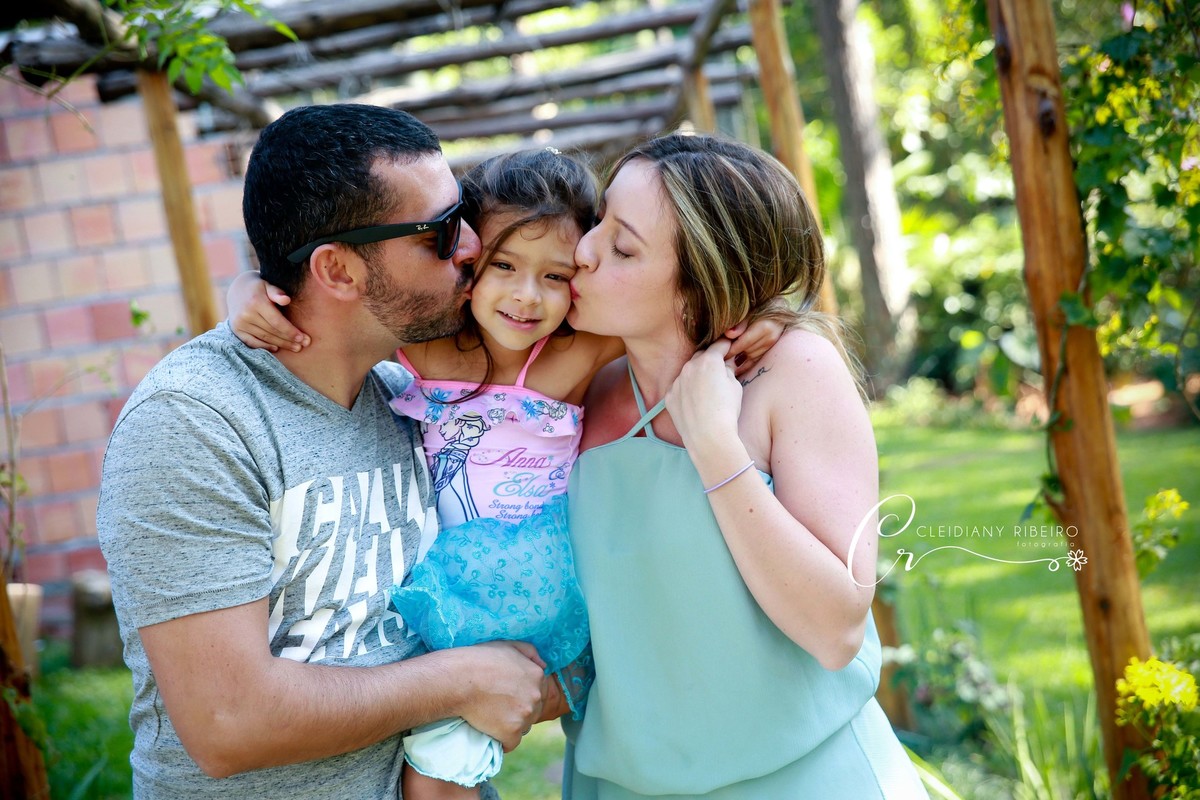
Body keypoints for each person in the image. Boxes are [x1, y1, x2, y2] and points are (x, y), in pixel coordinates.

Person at [227, 146, 782, 799]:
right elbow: (338, 303)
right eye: (505, 268)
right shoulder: (427, 342)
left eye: (555, 276)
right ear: (467, 263)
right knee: (434, 761)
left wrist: (766, 317)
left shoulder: (573, 353)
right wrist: (243, 291)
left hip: (539, 591)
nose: (527, 297)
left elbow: (680, 310)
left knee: (442, 759)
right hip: (447, 591)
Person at [96, 104, 561, 800]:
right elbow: (229, 722)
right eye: (438, 233)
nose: (472, 245)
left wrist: (768, 329)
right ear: (338, 270)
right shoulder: (195, 421)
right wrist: (464, 680)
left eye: (461, 210)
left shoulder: (417, 395)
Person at [560, 133, 930, 797]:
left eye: (622, 246)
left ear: (700, 288)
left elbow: (836, 629)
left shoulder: (792, 374)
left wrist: (715, 448)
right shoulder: (573, 387)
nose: (581, 253)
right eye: (597, 223)